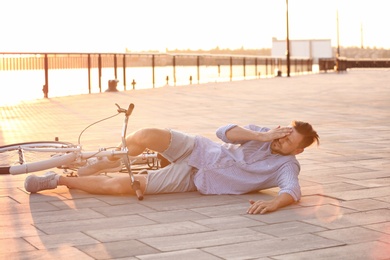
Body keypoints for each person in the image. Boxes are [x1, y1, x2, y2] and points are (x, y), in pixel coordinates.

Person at [24, 121, 319, 214]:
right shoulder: (264, 135)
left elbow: (292, 191)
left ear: (299, 149)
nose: (281, 141)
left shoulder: (286, 165)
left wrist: (273, 206)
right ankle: (98, 162)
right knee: (146, 135)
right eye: (283, 134)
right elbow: (223, 132)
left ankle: (59, 178)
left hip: (198, 178)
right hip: (199, 149)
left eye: (288, 141)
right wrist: (262, 135)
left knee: (129, 186)